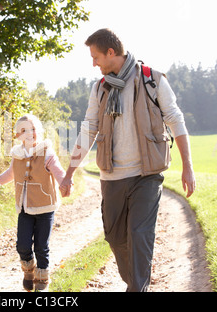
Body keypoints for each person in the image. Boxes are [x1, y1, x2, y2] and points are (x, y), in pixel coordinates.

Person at [59, 28, 196, 292]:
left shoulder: (151, 80)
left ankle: (137, 288)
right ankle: (135, 282)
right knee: (115, 238)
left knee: (138, 235)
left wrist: (188, 167)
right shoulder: (100, 88)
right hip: (112, 177)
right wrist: (68, 173)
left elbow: (176, 120)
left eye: (96, 57)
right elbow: (88, 129)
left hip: (147, 175)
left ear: (111, 52)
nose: (93, 63)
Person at [0, 114, 66, 291]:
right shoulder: (17, 155)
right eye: (24, 130)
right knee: (23, 245)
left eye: (33, 129)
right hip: (25, 208)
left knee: (42, 246)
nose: (29, 133)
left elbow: (57, 169)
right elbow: (11, 173)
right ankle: (28, 270)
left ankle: (42, 281)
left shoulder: (46, 151)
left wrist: (64, 182)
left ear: (39, 131)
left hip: (45, 207)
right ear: (18, 135)